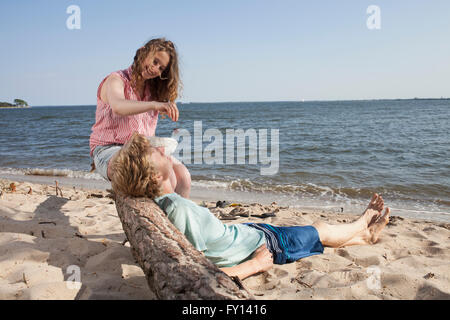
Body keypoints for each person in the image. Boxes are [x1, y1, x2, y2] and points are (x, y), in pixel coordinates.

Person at [111, 132, 391, 280]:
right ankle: (363, 222)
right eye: (155, 152)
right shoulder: (177, 209)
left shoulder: (165, 203)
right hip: (268, 246)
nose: (161, 149)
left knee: (314, 236)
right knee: (320, 229)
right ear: (156, 176)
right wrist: (255, 266)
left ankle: (365, 237)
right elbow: (199, 272)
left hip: (251, 233)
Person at [89, 38, 191, 198]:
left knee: (183, 176)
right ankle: (164, 217)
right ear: (143, 51)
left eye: (161, 67)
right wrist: (154, 105)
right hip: (108, 151)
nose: (154, 68)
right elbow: (118, 106)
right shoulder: (116, 80)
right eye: (155, 61)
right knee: (163, 174)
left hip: (141, 151)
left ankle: (177, 220)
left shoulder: (152, 91)